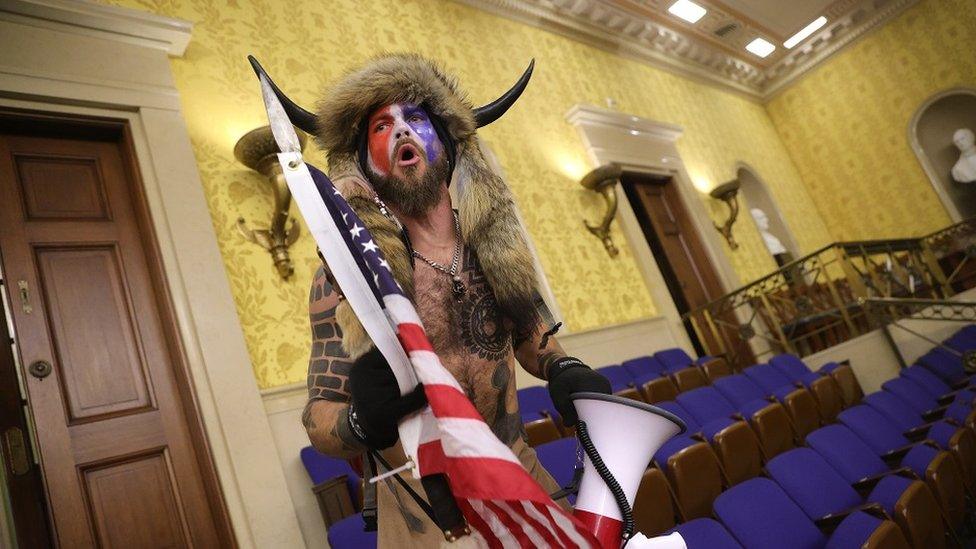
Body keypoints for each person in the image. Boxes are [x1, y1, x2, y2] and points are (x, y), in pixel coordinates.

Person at [263, 54, 611, 546]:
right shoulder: (348, 278)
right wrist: (360, 422)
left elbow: (534, 342)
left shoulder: (494, 249)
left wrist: (563, 367)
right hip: (421, 507)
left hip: (517, 472)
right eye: (382, 126)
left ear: (445, 143)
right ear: (364, 162)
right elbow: (317, 418)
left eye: (416, 118)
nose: (402, 131)